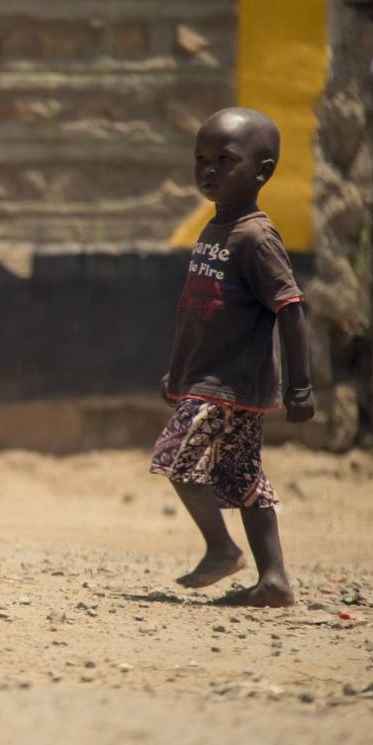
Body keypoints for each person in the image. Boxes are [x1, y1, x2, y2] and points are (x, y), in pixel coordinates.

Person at [151, 107, 315, 607]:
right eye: (201, 159)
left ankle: (222, 548)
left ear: (262, 172)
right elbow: (197, 314)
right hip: (207, 380)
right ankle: (275, 581)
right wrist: (177, 373)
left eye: (225, 160)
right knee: (243, 478)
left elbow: (290, 308)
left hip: (229, 384)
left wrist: (300, 386)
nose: (209, 170)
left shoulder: (255, 236)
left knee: (177, 461)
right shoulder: (215, 229)